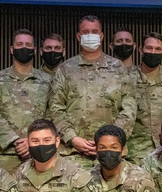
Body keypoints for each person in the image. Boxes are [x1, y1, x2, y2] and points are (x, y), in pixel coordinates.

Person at [48, 15, 135, 167]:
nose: (90, 35)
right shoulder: (65, 69)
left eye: (94, 32)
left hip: (110, 152)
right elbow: (56, 108)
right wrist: (72, 138)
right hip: (72, 153)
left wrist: (111, 140)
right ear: (78, 36)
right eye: (86, 32)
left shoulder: (118, 68)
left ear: (101, 36)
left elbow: (129, 107)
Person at [0, 29, 52, 173]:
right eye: (19, 44)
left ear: (34, 50)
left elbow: (51, 114)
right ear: (11, 49)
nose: (24, 48)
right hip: (6, 154)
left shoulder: (47, 81)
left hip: (40, 151)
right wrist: (16, 140)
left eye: (28, 45)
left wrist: (33, 141)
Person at [125, 32, 162, 162]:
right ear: (141, 50)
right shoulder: (126, 78)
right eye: (149, 48)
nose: (153, 52)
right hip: (134, 152)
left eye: (158, 49)